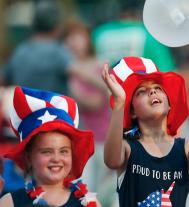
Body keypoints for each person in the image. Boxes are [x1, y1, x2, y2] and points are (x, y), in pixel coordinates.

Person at [101, 56, 189, 206]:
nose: (152, 92)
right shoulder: (127, 147)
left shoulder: (188, 147)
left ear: (169, 105)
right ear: (132, 112)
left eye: (158, 88)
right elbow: (111, 160)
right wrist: (119, 104)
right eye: (141, 92)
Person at [0, 86, 101, 207]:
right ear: (28, 157)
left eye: (64, 151)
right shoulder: (11, 202)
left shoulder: (88, 202)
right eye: (47, 152)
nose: (56, 158)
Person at [63, 18, 114, 207]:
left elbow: (97, 102)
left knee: (99, 192)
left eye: (78, 36)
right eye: (69, 37)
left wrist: (75, 78)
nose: (73, 42)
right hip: (77, 143)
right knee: (84, 191)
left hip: (101, 140)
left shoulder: (99, 66)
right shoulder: (66, 66)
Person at [92, 0, 176, 72]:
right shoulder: (147, 33)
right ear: (140, 12)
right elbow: (166, 70)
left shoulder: (99, 33)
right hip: (138, 88)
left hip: (102, 87)